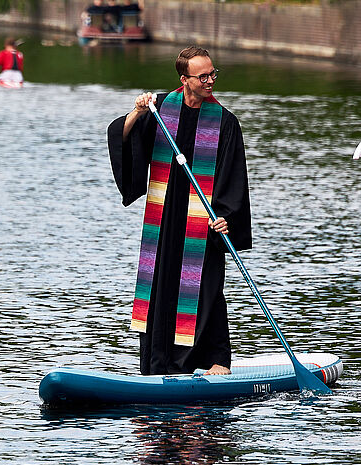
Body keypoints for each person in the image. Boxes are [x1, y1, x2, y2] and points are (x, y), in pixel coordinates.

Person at [107, 46, 251, 376]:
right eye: (203, 76)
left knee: (208, 288)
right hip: (165, 217)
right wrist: (137, 113)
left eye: (213, 73)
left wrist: (226, 216)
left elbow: (234, 175)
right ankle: (158, 364)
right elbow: (122, 137)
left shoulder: (225, 123)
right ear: (184, 79)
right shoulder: (159, 110)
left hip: (203, 220)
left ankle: (216, 359)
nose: (210, 80)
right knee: (160, 287)